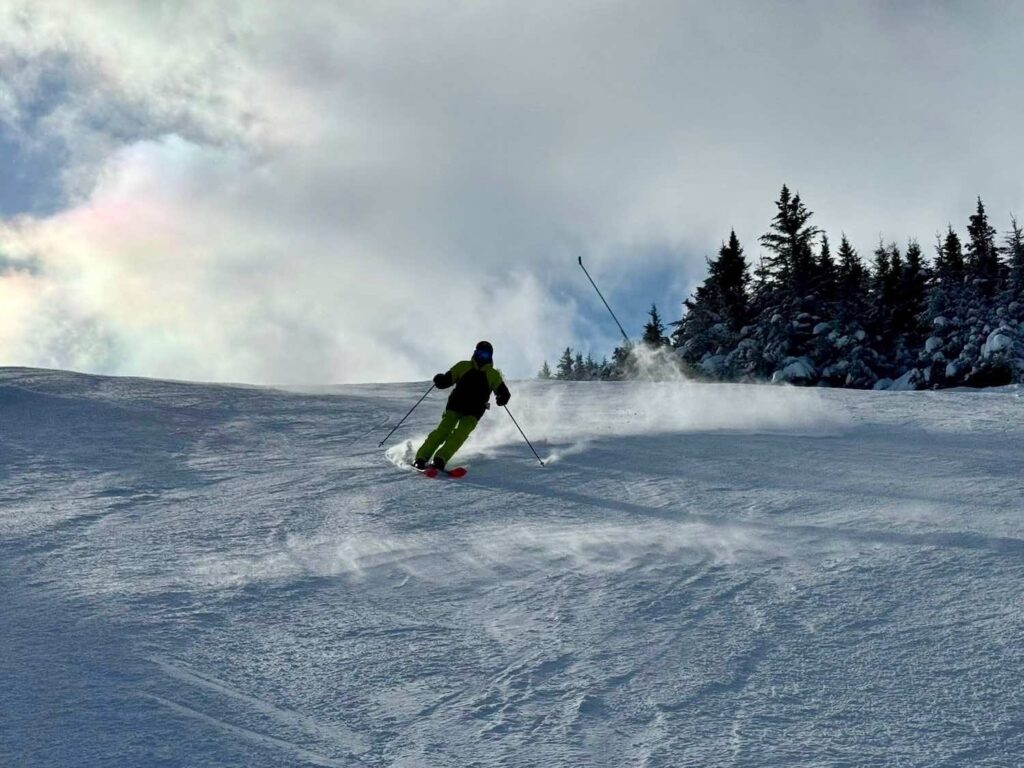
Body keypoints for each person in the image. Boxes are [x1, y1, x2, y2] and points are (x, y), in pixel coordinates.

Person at [414, 340, 511, 470]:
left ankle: (440, 459)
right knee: (443, 431)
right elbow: (448, 380)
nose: (483, 357)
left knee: (459, 436)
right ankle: (421, 458)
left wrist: (503, 397)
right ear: (475, 353)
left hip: (474, 412)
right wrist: (441, 380)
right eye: (480, 353)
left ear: (490, 357)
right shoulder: (463, 366)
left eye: (486, 355)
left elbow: (503, 391)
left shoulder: (493, 374)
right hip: (456, 405)